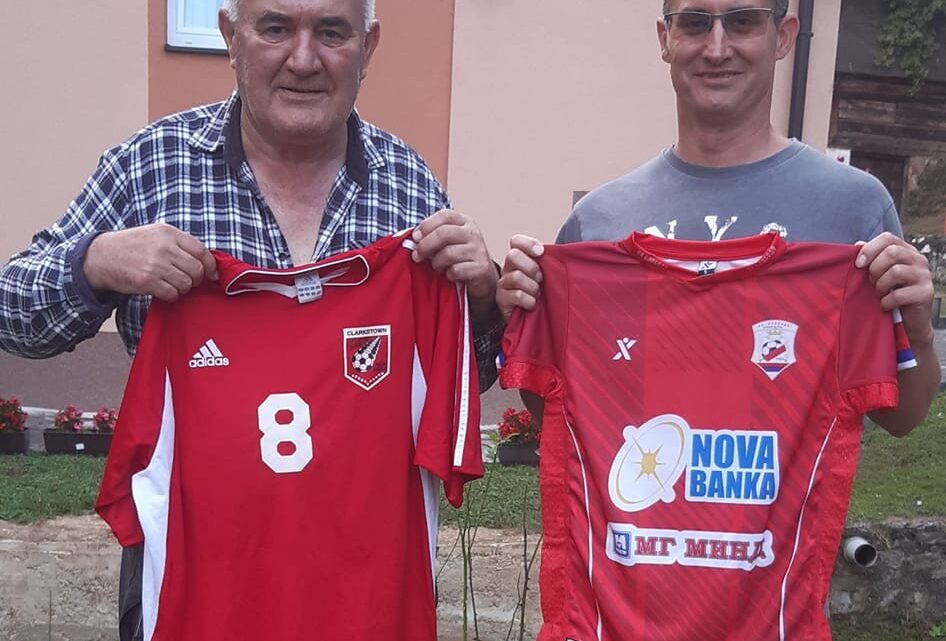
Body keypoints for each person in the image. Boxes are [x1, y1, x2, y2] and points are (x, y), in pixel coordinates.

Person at [0, 0, 501, 638]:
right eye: (275, 28)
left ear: (368, 47)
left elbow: (458, 382)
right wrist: (94, 263)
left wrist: (480, 302)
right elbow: (10, 312)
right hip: (198, 582)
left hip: (362, 585)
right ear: (230, 36)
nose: (303, 58)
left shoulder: (410, 185)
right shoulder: (152, 166)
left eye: (331, 32)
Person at [497, 0, 939, 436]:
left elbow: (901, 417)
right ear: (665, 39)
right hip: (644, 479)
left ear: (783, 36)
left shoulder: (854, 206)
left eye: (743, 21)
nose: (716, 48)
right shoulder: (595, 221)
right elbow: (561, 411)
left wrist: (917, 330)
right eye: (693, 23)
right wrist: (521, 316)